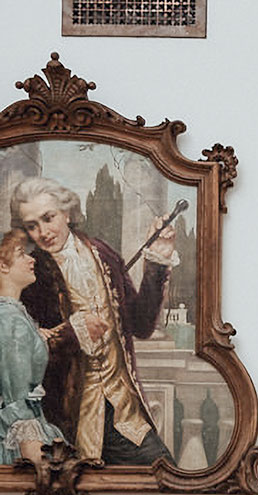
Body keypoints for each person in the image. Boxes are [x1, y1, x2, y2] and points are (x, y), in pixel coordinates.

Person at [8, 176, 176, 466]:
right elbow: (23, 359)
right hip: (70, 418)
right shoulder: (31, 278)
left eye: (49, 218)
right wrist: (72, 332)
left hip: (124, 410)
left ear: (68, 213)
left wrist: (157, 264)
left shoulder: (104, 254)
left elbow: (142, 325)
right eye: (32, 226)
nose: (43, 232)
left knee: (164, 472)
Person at [0, 229, 62, 468]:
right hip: (19, 436)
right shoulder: (10, 320)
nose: (31, 258)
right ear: (3, 266)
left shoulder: (16, 315)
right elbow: (17, 400)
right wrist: (37, 463)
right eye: (20, 254)